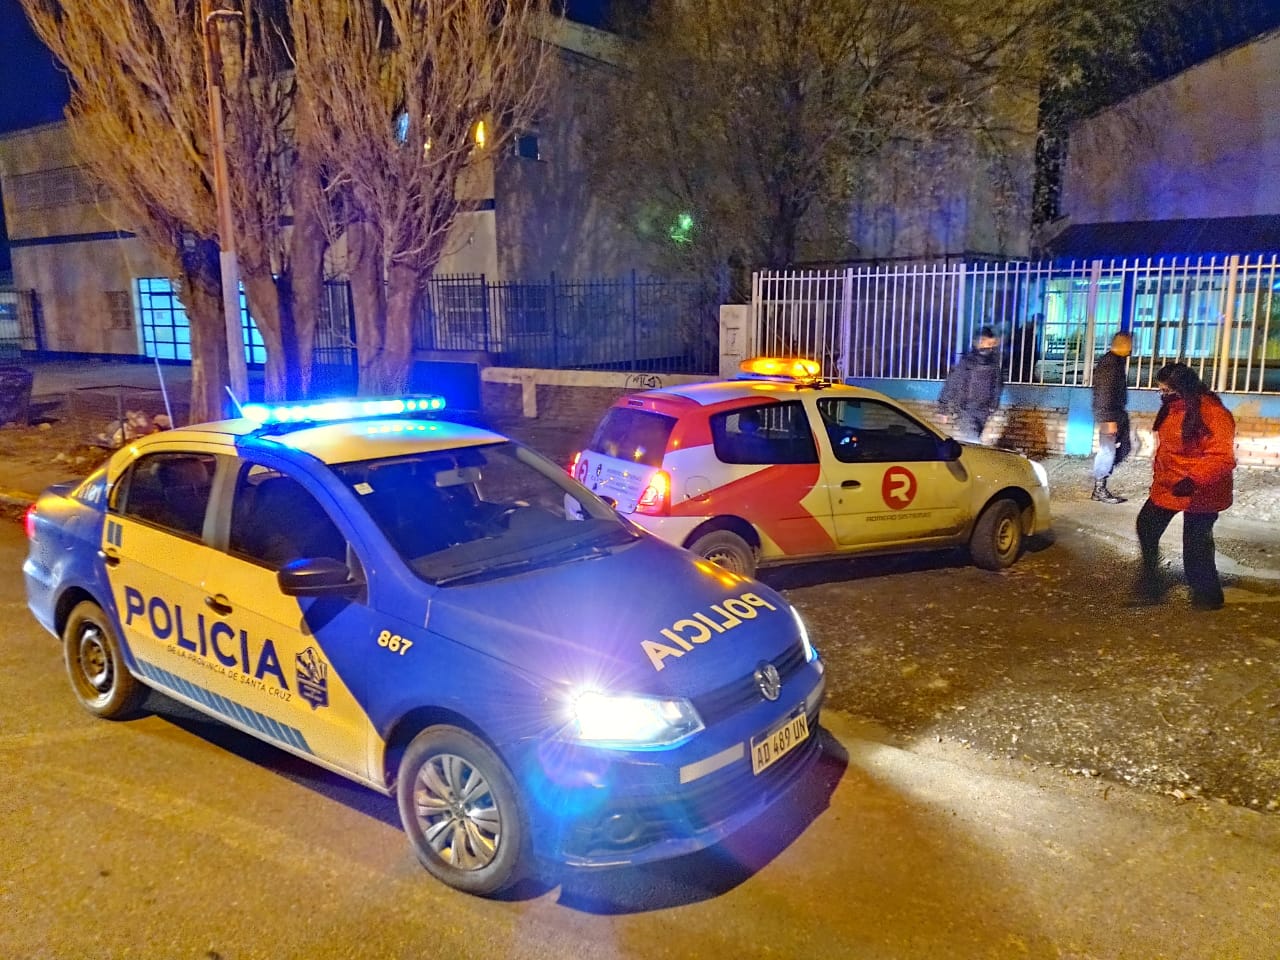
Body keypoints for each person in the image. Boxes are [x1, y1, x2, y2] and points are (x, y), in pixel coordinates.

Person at [1133, 362, 1236, 611]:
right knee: (1146, 525)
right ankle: (1151, 581)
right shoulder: (1173, 408)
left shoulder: (1212, 412)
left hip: (1202, 488)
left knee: (1196, 544)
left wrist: (1194, 480)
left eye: (1167, 390)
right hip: (1171, 485)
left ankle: (1208, 596)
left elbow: (1222, 457)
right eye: (1160, 390)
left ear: (1183, 387)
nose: (1163, 395)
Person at [939, 325, 1003, 443]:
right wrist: (944, 408)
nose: (989, 347)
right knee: (972, 440)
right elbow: (952, 383)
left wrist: (993, 406)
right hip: (965, 410)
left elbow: (997, 386)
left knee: (973, 440)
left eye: (992, 344)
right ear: (978, 342)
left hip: (983, 410)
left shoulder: (993, 364)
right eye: (987, 343)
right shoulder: (967, 362)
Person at [1090, 331, 1133, 503]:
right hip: (1109, 414)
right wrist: (1108, 418)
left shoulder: (1116, 361)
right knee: (1108, 450)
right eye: (1129, 344)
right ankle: (1099, 487)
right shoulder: (1110, 364)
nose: (1131, 348)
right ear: (1122, 344)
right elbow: (1104, 393)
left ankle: (1101, 477)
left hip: (1116, 413)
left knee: (1124, 448)